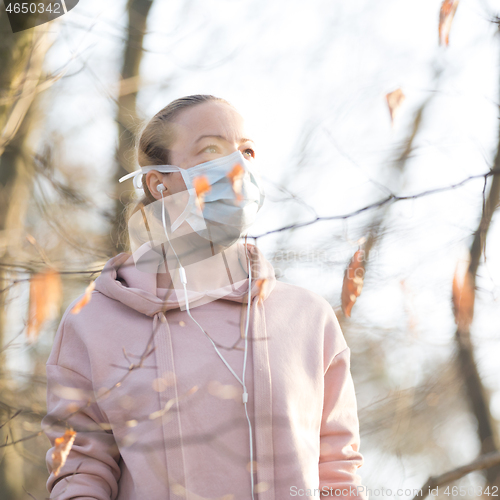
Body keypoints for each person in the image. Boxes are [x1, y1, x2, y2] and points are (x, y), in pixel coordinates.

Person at [42, 94, 368, 500]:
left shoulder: (307, 318)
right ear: (159, 182)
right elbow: (81, 470)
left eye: (246, 151)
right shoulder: (92, 322)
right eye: (211, 149)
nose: (238, 167)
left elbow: (338, 469)